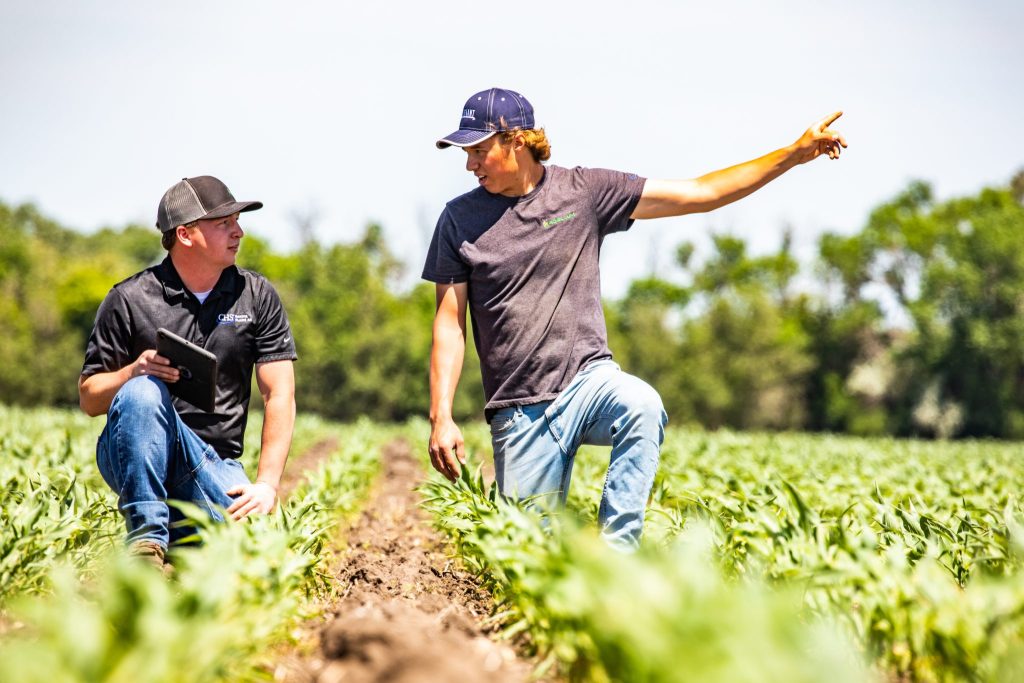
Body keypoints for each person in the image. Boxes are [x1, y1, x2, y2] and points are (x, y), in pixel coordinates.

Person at [423, 88, 846, 550]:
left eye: (480, 151)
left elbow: (701, 193)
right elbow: (450, 323)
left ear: (517, 141)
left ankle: (616, 557)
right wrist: (440, 415)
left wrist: (793, 154)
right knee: (527, 561)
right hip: (520, 410)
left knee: (641, 405)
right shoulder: (458, 221)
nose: (471, 165)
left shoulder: (584, 193)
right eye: (468, 154)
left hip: (589, 382)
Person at [79, 175, 298, 570]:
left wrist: (266, 485)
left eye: (237, 221)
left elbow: (279, 394)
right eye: (224, 224)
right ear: (185, 234)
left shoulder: (257, 295)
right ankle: (146, 543)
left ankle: (180, 541)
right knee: (143, 390)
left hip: (216, 464)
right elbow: (90, 397)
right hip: (141, 460)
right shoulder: (127, 299)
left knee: (253, 548)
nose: (239, 232)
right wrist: (132, 371)